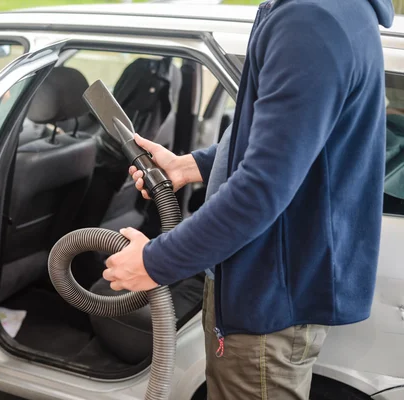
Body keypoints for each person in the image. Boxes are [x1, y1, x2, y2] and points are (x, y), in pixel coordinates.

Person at [102, 0, 395, 398]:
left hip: (264, 305)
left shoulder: (310, 19)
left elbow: (261, 189)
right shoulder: (330, 11)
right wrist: (191, 166)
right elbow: (286, 145)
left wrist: (154, 263)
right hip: (267, 288)